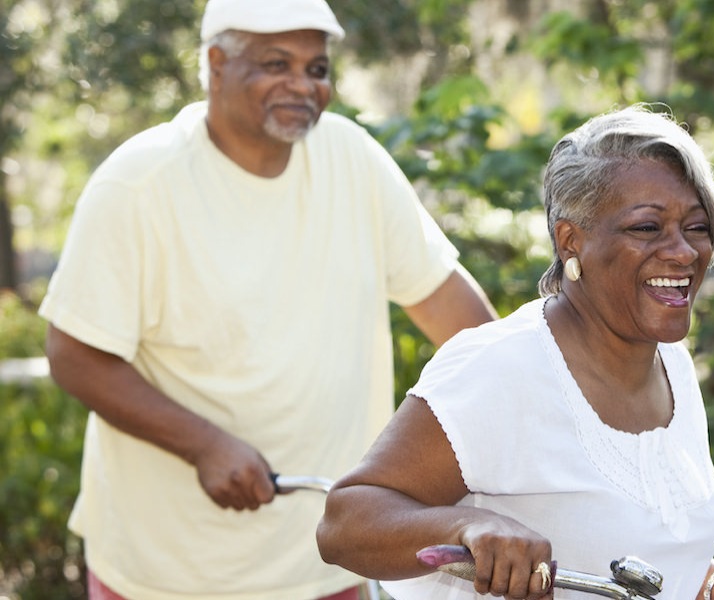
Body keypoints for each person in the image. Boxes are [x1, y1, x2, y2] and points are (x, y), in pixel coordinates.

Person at [37, 0, 498, 598]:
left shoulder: (352, 159)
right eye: (276, 63)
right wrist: (204, 444)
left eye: (316, 68)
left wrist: (527, 415)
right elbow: (74, 355)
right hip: (167, 571)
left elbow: (455, 317)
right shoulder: (139, 184)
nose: (302, 85)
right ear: (216, 64)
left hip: (328, 561)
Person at [315, 105, 714, 600]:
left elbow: (633, 546)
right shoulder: (500, 367)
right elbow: (345, 522)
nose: (684, 252)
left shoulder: (674, 367)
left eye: (696, 227)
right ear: (570, 240)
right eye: (647, 228)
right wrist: (465, 528)